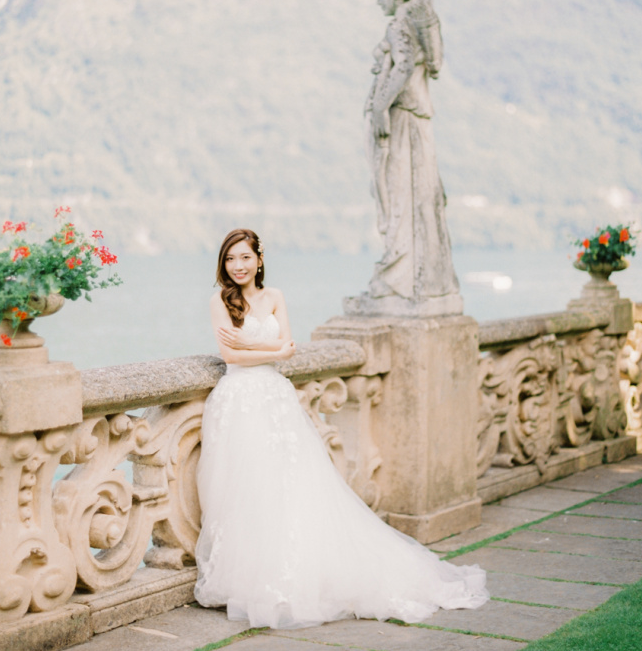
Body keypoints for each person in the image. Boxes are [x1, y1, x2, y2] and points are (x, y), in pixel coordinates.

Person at [194, 228, 488, 629]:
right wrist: (267, 350)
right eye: (230, 259)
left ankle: (293, 576)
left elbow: (288, 348)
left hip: (274, 399)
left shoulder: (275, 296)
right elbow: (232, 355)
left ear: (259, 260)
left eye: (245, 257)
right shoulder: (220, 301)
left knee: (288, 486)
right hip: (238, 401)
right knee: (245, 487)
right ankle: (246, 578)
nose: (238, 266)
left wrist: (258, 349)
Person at [363, 0, 460, 309]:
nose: (379, 2)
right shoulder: (416, 25)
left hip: (403, 118)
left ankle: (399, 278)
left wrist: (380, 107)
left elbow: (403, 67)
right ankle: (426, 281)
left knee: (399, 193)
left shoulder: (400, 25)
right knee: (420, 195)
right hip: (418, 117)